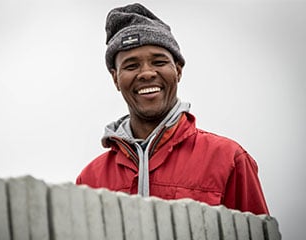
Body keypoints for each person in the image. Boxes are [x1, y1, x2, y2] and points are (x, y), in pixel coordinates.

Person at [76, 3, 269, 215]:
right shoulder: (89, 180)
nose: (147, 73)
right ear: (115, 79)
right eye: (131, 66)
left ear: (177, 70)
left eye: (158, 61)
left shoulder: (229, 159)